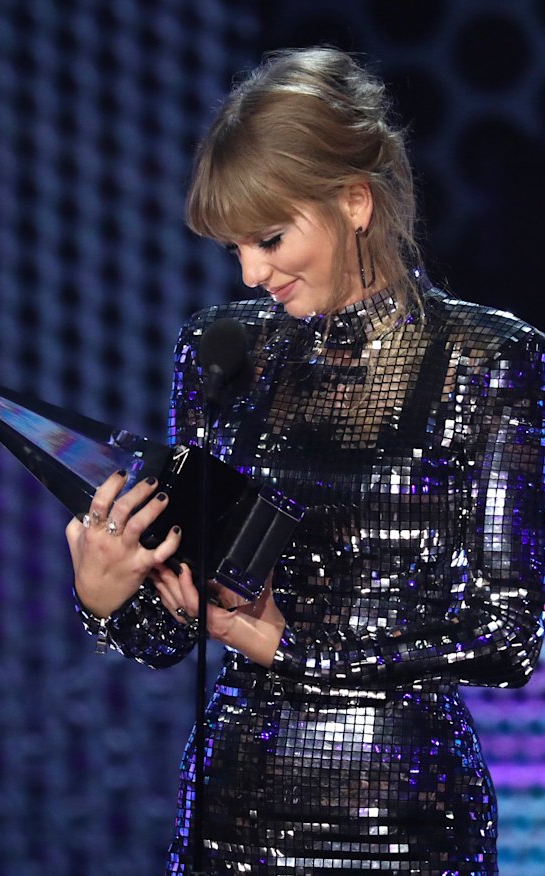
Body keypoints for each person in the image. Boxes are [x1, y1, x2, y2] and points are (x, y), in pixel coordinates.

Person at [66, 47, 545, 875]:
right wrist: (110, 599)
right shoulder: (222, 351)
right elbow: (177, 627)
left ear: (355, 200)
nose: (253, 273)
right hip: (231, 807)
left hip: (403, 815)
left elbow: (508, 634)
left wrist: (301, 653)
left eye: (270, 237)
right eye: (235, 250)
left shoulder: (488, 359)